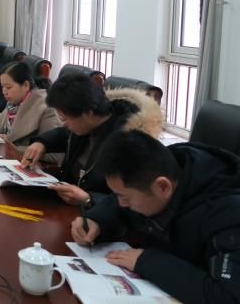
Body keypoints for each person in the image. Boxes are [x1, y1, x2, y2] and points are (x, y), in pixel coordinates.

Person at [71, 130, 240, 303]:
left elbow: (229, 297)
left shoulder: (229, 215)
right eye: (118, 195)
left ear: (162, 187)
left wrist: (147, 262)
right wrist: (97, 220)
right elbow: (119, 202)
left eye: (126, 198)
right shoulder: (156, 171)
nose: (121, 203)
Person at [21, 73, 162, 206]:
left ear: (88, 113)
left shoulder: (128, 142)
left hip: (96, 215)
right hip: (68, 203)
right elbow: (64, 134)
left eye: (65, 119)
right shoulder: (87, 124)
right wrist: (42, 142)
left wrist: (89, 199)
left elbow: (135, 201)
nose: (63, 124)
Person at [0, 61, 61, 149]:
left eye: (8, 87)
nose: (4, 92)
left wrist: (11, 146)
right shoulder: (15, 104)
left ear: (26, 85)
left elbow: (52, 152)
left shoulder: (45, 108)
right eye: (2, 87)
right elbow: (1, 117)